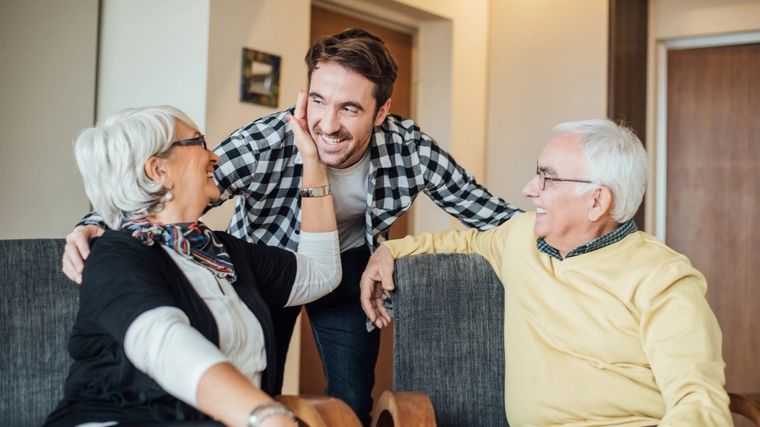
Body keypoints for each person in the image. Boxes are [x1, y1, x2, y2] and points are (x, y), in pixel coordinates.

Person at [61, 28, 520, 425]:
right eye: (318, 101)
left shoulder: (409, 149)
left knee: (352, 398)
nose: (327, 124)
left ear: (381, 113)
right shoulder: (268, 140)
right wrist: (95, 224)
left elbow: (487, 213)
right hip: (258, 263)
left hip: (348, 263)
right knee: (258, 381)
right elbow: (175, 187)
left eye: (350, 109)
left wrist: (566, 225)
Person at [360, 119, 732, 426]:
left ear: (597, 201)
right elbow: (459, 243)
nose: (528, 189)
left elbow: (700, 404)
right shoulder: (520, 238)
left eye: (547, 179)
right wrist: (389, 250)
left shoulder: (663, 279)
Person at [45, 104, 341, 427]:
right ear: (159, 171)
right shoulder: (117, 255)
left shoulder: (223, 252)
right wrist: (265, 416)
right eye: (200, 143)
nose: (215, 157)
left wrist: (312, 162)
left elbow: (322, 273)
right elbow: (167, 345)